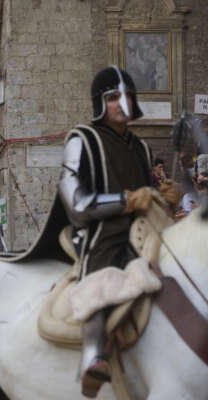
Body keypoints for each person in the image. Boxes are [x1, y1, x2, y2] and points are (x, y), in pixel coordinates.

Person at [57, 66, 178, 397]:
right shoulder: (81, 140)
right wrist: (125, 200)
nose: (121, 104)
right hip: (101, 231)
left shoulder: (141, 147)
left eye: (126, 96)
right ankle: (92, 357)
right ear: (100, 103)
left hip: (146, 227)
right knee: (102, 278)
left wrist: (165, 194)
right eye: (112, 98)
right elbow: (76, 203)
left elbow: (149, 191)